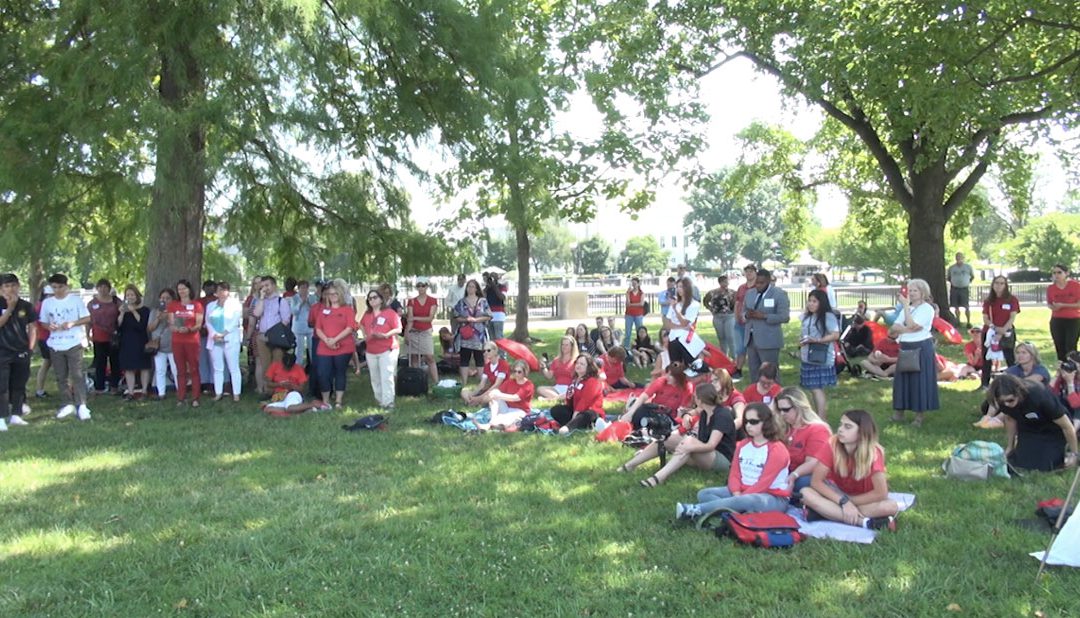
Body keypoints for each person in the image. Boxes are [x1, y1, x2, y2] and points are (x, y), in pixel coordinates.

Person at [673, 402, 790, 518]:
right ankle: (737, 513)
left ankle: (695, 510)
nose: (748, 425)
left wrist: (740, 498)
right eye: (746, 421)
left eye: (754, 422)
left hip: (771, 496)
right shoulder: (743, 445)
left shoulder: (777, 449)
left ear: (766, 422)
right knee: (704, 493)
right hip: (741, 491)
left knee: (749, 500)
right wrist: (736, 494)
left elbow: (764, 483)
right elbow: (734, 473)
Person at [623, 383, 738, 489]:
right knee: (667, 438)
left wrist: (689, 447)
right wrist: (687, 415)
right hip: (703, 453)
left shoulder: (722, 415)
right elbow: (692, 412)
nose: (694, 399)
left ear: (700, 400)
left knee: (688, 442)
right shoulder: (705, 411)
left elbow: (711, 445)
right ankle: (630, 465)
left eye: (695, 397)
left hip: (721, 459)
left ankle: (657, 478)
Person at [799, 410, 899, 529]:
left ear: (862, 432)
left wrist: (849, 502)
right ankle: (864, 522)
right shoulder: (832, 444)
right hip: (837, 493)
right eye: (841, 425)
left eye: (848, 427)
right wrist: (843, 502)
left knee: (890, 506)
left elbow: (881, 493)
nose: (840, 429)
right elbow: (816, 482)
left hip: (864, 498)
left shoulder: (874, 453)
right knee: (805, 493)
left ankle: (823, 513)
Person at [988, 374, 1078, 471]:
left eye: (1010, 400)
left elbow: (1067, 426)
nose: (1007, 404)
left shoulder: (1039, 396)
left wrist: (1075, 454)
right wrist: (1010, 446)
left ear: (1019, 392)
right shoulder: (1005, 401)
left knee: (1046, 466)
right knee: (1021, 463)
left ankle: (1066, 451)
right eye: (1003, 402)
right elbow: (1010, 419)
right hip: (1028, 426)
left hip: (1053, 428)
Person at [40, 273, 92, 420]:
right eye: (54, 287)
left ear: (66, 286)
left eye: (60, 287)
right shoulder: (47, 303)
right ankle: (67, 403)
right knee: (60, 375)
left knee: (77, 374)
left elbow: (87, 317)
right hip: (55, 343)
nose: (57, 290)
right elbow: (43, 322)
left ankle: (81, 404)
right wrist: (49, 326)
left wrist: (72, 323)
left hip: (73, 341)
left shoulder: (75, 300)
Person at [889, 278, 939, 426]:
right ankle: (899, 412)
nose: (911, 293)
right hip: (905, 346)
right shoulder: (908, 308)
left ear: (923, 292)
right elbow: (893, 328)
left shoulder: (927, 309)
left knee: (919, 381)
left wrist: (905, 309)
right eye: (910, 290)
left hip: (921, 347)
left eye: (915, 290)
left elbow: (913, 325)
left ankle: (919, 416)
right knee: (902, 381)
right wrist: (907, 327)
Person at [974, 342, 1053, 428]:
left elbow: (1027, 384)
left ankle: (998, 419)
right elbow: (1001, 382)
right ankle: (987, 417)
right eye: (1018, 353)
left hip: (1036, 402)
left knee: (1017, 394)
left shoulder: (1040, 370)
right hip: (1014, 398)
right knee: (1000, 390)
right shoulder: (1013, 369)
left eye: (1024, 353)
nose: (1020, 355)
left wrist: (1009, 383)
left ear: (1032, 355)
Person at [774, 387, 832, 497]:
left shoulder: (817, 429)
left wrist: (794, 475)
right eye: (779, 409)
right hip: (787, 473)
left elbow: (813, 464)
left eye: (786, 410)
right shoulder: (784, 428)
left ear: (799, 407)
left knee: (801, 482)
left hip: (808, 476)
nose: (782, 413)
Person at [0, 274, 38, 430]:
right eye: (7, 286)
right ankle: (2, 417)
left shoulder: (26, 305)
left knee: (19, 384)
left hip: (21, 350)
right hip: (2, 350)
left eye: (13, 285)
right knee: (2, 386)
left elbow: (33, 327)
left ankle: (16, 414)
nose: (10, 289)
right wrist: (10, 307)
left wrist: (30, 347)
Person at [742, 268, 791, 383]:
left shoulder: (779, 294)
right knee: (754, 371)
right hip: (751, 338)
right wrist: (746, 315)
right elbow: (743, 312)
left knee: (770, 371)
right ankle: (756, 395)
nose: (758, 285)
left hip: (769, 340)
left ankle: (775, 395)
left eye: (761, 283)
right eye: (756, 282)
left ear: (768, 281)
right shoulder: (750, 294)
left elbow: (784, 317)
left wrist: (764, 316)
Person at [313, 283, 356, 408]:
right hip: (324, 346)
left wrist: (335, 340)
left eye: (335, 293)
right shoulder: (323, 310)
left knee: (340, 372)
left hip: (343, 346)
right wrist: (327, 340)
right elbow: (318, 328)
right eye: (330, 294)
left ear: (340, 294)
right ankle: (325, 400)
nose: (332, 296)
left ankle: (338, 401)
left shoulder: (347, 309)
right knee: (322, 373)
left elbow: (350, 328)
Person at [800, 289, 841, 421]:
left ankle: (822, 418)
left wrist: (817, 340)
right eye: (809, 301)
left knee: (816, 388)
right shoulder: (808, 316)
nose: (811, 304)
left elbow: (835, 335)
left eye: (814, 301)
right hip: (807, 355)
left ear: (821, 303)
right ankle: (818, 416)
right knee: (813, 389)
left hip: (821, 356)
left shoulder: (827, 316)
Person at [359, 288, 403, 409]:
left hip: (387, 348)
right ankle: (380, 400)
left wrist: (386, 335)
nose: (372, 300)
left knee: (386, 376)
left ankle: (388, 403)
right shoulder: (367, 314)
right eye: (370, 298)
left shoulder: (389, 313)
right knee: (375, 377)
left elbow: (399, 329)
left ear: (381, 299)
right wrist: (365, 335)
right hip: (371, 349)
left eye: (375, 297)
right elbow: (361, 324)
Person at [251, 276, 292, 395]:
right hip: (263, 337)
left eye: (267, 285)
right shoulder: (261, 301)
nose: (265, 288)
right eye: (262, 286)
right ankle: (267, 391)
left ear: (273, 286)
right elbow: (256, 313)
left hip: (277, 338)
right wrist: (262, 298)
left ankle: (278, 391)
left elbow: (286, 319)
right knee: (265, 365)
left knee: (277, 363)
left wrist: (275, 333)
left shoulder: (281, 301)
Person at [205, 282, 244, 402]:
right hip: (215, 339)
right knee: (217, 368)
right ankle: (218, 392)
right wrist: (214, 334)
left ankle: (236, 393)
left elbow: (235, 321)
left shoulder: (235, 304)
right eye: (219, 290)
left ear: (228, 291)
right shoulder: (211, 305)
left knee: (233, 367)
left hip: (230, 338)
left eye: (224, 290)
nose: (221, 292)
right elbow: (207, 321)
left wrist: (223, 333)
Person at [619, 362, 693, 425]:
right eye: (667, 374)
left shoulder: (686, 387)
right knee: (638, 414)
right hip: (654, 411)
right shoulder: (661, 381)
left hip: (670, 417)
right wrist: (630, 413)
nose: (667, 377)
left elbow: (683, 409)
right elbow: (644, 396)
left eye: (671, 376)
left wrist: (676, 422)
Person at [168, 279, 205, 407]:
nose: (182, 291)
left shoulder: (197, 305)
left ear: (189, 289)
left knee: (194, 369)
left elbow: (199, 324)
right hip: (177, 341)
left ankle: (195, 397)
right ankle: (181, 397)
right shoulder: (173, 305)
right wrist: (177, 328)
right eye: (179, 289)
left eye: (184, 288)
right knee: (180, 370)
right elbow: (171, 324)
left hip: (192, 341)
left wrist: (189, 329)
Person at [980, 275, 1019, 388]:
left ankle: (1014, 382)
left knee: (1010, 357)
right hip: (990, 332)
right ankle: (985, 383)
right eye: (996, 283)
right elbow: (985, 318)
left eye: (1002, 283)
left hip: (1007, 332)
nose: (999, 286)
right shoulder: (988, 301)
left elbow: (1012, 317)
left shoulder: (1012, 299)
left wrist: (1002, 331)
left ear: (1006, 285)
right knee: (986, 358)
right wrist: (994, 328)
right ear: (992, 285)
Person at [550, 353, 605, 434]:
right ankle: (574, 425)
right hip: (576, 411)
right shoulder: (575, 380)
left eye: (582, 364)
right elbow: (570, 401)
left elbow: (585, 401)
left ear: (588, 367)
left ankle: (566, 428)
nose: (578, 365)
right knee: (556, 410)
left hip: (590, 412)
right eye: (577, 363)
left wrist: (575, 414)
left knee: (587, 415)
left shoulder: (593, 381)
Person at [453, 279, 491, 388]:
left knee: (479, 358)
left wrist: (476, 320)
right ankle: (464, 383)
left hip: (479, 335)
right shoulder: (461, 302)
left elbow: (488, 315)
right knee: (464, 358)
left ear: (476, 288)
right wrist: (466, 319)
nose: (470, 288)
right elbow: (456, 316)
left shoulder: (483, 301)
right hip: (465, 335)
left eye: (473, 286)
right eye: (469, 286)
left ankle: (481, 383)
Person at [116, 285, 152, 400]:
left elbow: (142, 325)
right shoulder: (124, 310)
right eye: (128, 295)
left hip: (140, 340)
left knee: (143, 366)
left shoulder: (145, 310)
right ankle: (130, 392)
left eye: (132, 295)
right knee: (129, 367)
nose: (130, 297)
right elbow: (118, 326)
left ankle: (144, 391)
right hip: (127, 341)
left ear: (137, 296)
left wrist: (134, 311)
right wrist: (121, 313)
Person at [477, 360, 535, 431]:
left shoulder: (528, 385)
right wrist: (490, 396)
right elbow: (497, 392)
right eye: (514, 371)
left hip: (520, 411)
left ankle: (489, 425)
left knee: (504, 419)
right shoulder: (510, 382)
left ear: (525, 372)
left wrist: (498, 395)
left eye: (519, 372)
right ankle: (493, 420)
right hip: (507, 407)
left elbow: (515, 398)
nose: (516, 374)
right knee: (495, 394)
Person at [262, 352, 326, 415]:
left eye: (289, 367)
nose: (287, 369)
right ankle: (303, 410)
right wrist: (279, 384)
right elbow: (268, 384)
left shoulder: (299, 369)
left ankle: (312, 405)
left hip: (293, 394)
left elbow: (302, 389)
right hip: (279, 396)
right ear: (282, 362)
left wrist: (292, 386)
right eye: (285, 366)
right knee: (267, 409)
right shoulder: (275, 366)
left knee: (290, 408)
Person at [87, 278, 120, 394]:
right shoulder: (92, 303)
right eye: (100, 287)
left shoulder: (116, 301)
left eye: (105, 287)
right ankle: (99, 387)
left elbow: (122, 315)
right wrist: (87, 335)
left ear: (109, 288)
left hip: (113, 337)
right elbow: (88, 320)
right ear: (97, 289)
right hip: (98, 336)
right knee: (100, 362)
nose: (103, 289)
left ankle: (114, 386)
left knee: (115, 361)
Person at [405, 279, 440, 386]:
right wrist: (407, 332)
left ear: (427, 287)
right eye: (419, 286)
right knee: (414, 357)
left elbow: (430, 318)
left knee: (430, 356)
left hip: (425, 331)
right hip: (413, 331)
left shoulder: (432, 300)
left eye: (423, 285)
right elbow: (409, 319)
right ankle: (416, 381)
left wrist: (414, 318)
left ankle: (437, 382)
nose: (421, 288)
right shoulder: (412, 301)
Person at [146, 289, 178, 400]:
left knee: (176, 369)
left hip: (173, 344)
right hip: (158, 345)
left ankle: (180, 391)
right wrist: (159, 318)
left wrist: (169, 317)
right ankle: (161, 393)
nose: (164, 300)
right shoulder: (154, 312)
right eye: (162, 298)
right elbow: (150, 328)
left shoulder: (176, 311)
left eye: (167, 298)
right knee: (160, 370)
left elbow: (178, 326)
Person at [663, 277, 701, 366]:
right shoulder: (675, 303)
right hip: (673, 338)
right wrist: (680, 327)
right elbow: (667, 323)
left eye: (681, 287)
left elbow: (685, 322)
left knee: (689, 365)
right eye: (678, 287)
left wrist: (676, 309)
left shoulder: (694, 304)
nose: (679, 289)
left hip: (686, 339)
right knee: (676, 365)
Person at [1047, 264, 1080, 362]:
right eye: (1054, 273)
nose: (1056, 275)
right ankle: (1062, 368)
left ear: (1066, 273)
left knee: (1070, 345)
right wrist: (1053, 307)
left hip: (1073, 320)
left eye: (1059, 272)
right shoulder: (1051, 288)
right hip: (1057, 320)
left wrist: (1063, 305)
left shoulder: (1075, 286)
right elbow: (1049, 304)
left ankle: (1073, 368)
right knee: (1059, 345)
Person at [731, 264, 758, 380]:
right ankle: (738, 370)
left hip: (752, 322)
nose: (749, 274)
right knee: (740, 348)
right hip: (739, 323)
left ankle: (756, 370)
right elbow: (737, 302)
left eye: (751, 271)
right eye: (747, 272)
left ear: (755, 273)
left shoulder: (758, 287)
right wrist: (736, 316)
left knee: (754, 348)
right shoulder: (741, 287)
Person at [704, 275, 737, 360]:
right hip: (717, 316)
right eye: (724, 282)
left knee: (730, 336)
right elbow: (705, 301)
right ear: (720, 282)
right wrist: (710, 308)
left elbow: (737, 302)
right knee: (721, 337)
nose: (725, 283)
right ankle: (724, 357)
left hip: (729, 316)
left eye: (727, 281)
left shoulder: (732, 292)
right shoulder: (713, 292)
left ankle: (734, 357)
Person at [1049, 351, 1080, 435]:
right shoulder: (1064, 377)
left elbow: (1075, 404)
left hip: (1077, 414)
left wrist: (1070, 383)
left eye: (1073, 364)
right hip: (1066, 411)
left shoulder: (1070, 379)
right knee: (1051, 402)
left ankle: (1072, 432)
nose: (1069, 366)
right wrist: (1057, 375)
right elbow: (1047, 394)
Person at [32, 286, 54, 399]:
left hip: (45, 338)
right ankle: (39, 390)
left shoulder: (39, 306)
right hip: (47, 338)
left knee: (47, 363)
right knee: (49, 363)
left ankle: (39, 390)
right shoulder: (43, 306)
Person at [290, 279, 317, 366]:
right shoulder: (294, 298)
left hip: (310, 326)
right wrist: (301, 303)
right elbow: (294, 311)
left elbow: (315, 310)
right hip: (298, 327)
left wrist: (308, 302)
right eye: (302, 288)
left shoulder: (312, 297)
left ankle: (314, 367)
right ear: (298, 289)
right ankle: (298, 368)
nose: (304, 290)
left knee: (312, 348)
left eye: (306, 288)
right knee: (299, 350)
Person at [197, 280, 217, 394]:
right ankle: (204, 383)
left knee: (214, 359)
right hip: (202, 333)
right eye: (207, 288)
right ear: (203, 289)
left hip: (215, 334)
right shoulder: (199, 301)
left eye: (211, 287)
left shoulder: (217, 301)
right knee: (202, 359)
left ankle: (215, 383)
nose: (209, 290)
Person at [947, 252, 975, 328]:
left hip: (964, 289)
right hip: (955, 289)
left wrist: (966, 282)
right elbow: (948, 277)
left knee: (966, 306)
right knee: (956, 306)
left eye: (960, 257)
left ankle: (968, 322)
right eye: (957, 257)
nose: (958, 258)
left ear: (963, 258)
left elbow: (972, 277)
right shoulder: (951, 268)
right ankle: (958, 321)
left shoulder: (968, 267)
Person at [483, 272, 507, 341]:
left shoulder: (502, 287)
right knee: (491, 337)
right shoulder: (487, 288)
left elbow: (502, 297)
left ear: (497, 278)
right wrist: (487, 287)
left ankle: (501, 352)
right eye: (491, 277)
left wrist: (494, 286)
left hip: (499, 315)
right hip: (489, 314)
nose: (492, 279)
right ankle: (493, 352)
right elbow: (483, 297)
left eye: (493, 277)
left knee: (499, 336)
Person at [623, 277, 646, 348]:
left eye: (635, 283)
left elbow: (641, 304)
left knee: (639, 331)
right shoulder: (629, 293)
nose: (634, 285)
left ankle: (640, 346)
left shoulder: (641, 293)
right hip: (629, 314)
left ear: (638, 284)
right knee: (628, 333)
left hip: (638, 314)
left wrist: (632, 304)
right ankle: (626, 347)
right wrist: (627, 294)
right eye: (632, 283)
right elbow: (627, 303)